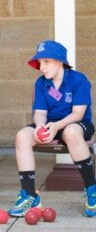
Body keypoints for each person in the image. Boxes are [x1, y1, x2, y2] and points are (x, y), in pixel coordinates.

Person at [7, 40, 96, 217]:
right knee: (23, 135)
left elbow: (78, 114)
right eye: (39, 63)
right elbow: (40, 113)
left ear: (59, 61)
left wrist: (56, 127)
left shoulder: (79, 80)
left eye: (46, 62)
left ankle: (92, 189)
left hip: (76, 124)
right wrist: (41, 127)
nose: (42, 67)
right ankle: (30, 195)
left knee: (71, 131)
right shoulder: (41, 83)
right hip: (50, 123)